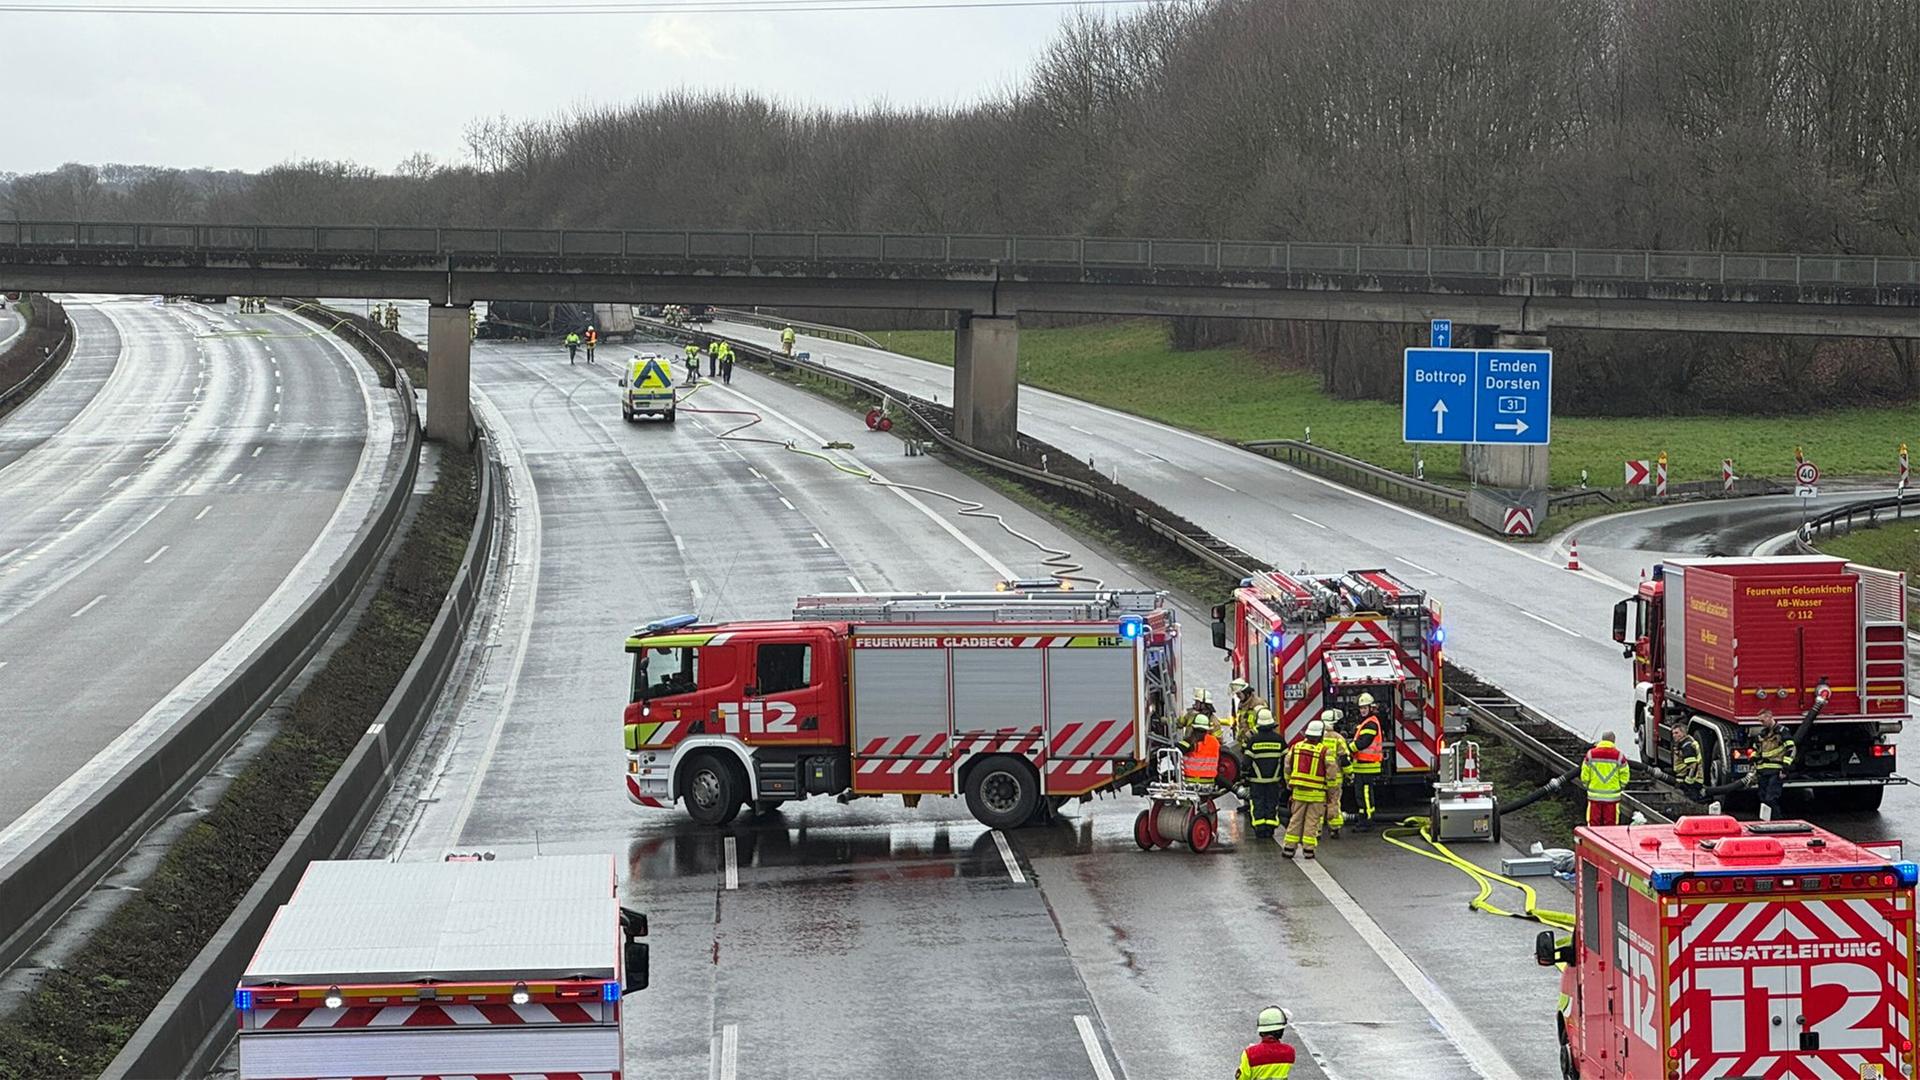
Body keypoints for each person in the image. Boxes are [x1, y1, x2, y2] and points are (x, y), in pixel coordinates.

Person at [1281, 715, 1337, 859]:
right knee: (1312, 822)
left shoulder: (1296, 748)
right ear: (1320, 736)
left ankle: (1288, 848)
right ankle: (1308, 850)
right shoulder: (1325, 751)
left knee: (1295, 820)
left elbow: (1287, 767)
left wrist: (1289, 784)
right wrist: (1332, 794)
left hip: (1298, 792)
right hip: (1317, 794)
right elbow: (1331, 775)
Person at [1243, 708, 1287, 840]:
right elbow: (1286, 761)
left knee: (1258, 804)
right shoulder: (1279, 740)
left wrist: (1244, 776)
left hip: (1256, 781)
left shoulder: (1253, 741)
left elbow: (1246, 763)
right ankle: (1270, 828)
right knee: (1271, 804)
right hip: (1274, 780)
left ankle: (1260, 829)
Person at [1347, 693, 1384, 831]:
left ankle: (1367, 820)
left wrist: (1348, 749)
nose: (1362, 710)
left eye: (1365, 708)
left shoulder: (1371, 723)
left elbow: (1364, 742)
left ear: (1371, 708)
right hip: (1362, 766)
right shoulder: (1366, 722)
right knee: (1360, 795)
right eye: (1361, 708)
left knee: (1366, 794)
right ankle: (1363, 818)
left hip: (1367, 766)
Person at [1579, 730, 1630, 826]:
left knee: (1593, 824)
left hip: (1594, 796)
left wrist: (1587, 786)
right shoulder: (1619, 756)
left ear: (1602, 740)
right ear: (1613, 741)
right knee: (1610, 826)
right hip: (1612, 797)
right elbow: (1625, 774)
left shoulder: (1591, 754)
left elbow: (1585, 773)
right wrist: (1620, 787)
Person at [1751, 710, 1794, 820]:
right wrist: (1753, 758)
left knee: (1771, 798)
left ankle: (1777, 820)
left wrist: (1785, 768)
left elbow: (1791, 749)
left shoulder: (1782, 732)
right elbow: (1756, 749)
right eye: (1760, 721)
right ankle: (1766, 821)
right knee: (1762, 798)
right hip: (1763, 770)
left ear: (1770, 717)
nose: (1761, 723)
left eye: (1763, 720)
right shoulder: (1762, 734)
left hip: (1776, 770)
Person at [1236, 1006, 1296, 1080]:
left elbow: (1242, 1078)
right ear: (1281, 1031)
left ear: (1261, 1032)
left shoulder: (1249, 1054)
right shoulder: (1289, 1052)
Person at [1180, 714, 1221, 788]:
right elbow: (1176, 751)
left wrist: (1189, 741)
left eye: (1202, 731)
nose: (1200, 734)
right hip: (1198, 785)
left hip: (1196, 785)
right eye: (1198, 731)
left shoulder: (1213, 742)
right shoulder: (1214, 742)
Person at [1669, 722, 1704, 800]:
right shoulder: (1682, 743)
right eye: (1673, 733)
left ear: (1683, 733)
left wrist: (1688, 781)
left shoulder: (1687, 746)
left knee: (1692, 800)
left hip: (1693, 781)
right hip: (1685, 777)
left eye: (1676, 733)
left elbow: (1693, 765)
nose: (1674, 735)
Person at [1229, 678, 1269, 747]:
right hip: (1245, 742)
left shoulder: (1258, 703)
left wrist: (1251, 733)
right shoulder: (1242, 704)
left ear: (1246, 692)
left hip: (1257, 742)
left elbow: (1266, 723)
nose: (1237, 696)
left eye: (1239, 694)